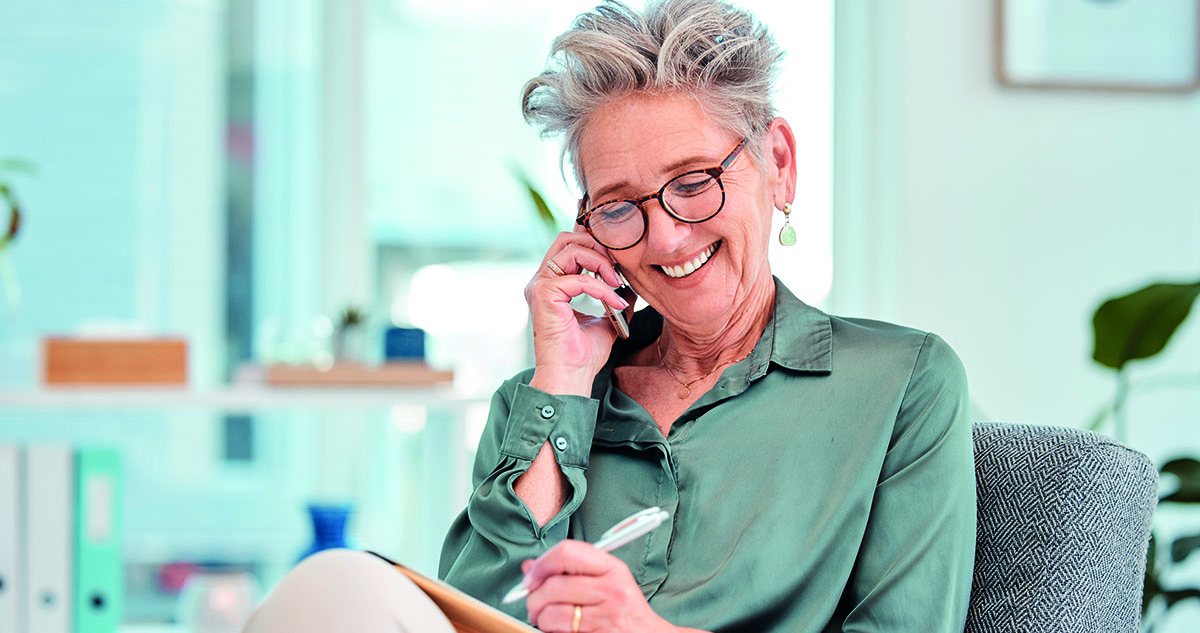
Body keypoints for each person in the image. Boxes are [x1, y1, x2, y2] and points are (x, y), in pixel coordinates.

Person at [243, 1, 975, 632]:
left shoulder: (899, 383)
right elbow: (471, 617)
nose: (666, 238)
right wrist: (564, 380)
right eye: (620, 206)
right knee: (334, 584)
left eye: (693, 182)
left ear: (778, 163)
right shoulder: (538, 402)